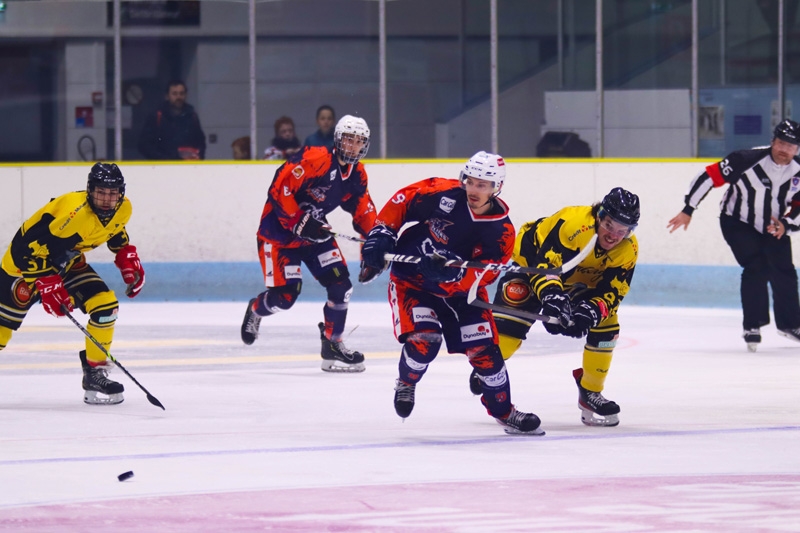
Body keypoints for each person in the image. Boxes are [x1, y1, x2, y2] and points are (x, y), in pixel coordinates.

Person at [359, 151, 544, 436]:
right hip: (414, 282)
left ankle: (505, 413)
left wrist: (454, 272)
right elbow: (404, 200)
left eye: (483, 184)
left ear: (497, 188)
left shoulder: (501, 230)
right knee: (425, 342)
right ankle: (407, 382)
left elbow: (490, 272)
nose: (474, 189)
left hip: (463, 295)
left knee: (487, 355)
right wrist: (383, 231)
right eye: (470, 181)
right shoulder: (442, 193)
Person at [481, 187, 640, 428]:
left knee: (607, 325)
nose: (613, 235)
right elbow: (545, 265)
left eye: (623, 230)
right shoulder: (573, 225)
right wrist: (554, 301)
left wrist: (589, 311)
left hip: (578, 282)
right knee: (509, 331)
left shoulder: (627, 249)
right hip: (529, 266)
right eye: (609, 225)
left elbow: (614, 291)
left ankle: (590, 392)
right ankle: (487, 370)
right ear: (599, 216)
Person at [0, 163, 145, 405]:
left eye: (113, 193)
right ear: (90, 190)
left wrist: (124, 254)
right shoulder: (73, 215)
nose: (107, 199)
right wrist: (47, 284)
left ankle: (94, 372)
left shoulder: (124, 208)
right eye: (101, 192)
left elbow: (113, 229)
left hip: (65, 264)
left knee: (105, 306)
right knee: (2, 331)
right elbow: (24, 249)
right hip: (21, 270)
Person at [240, 115, 375, 373]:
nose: (353, 146)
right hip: (279, 235)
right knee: (285, 297)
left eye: (359, 141)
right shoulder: (315, 159)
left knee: (341, 285)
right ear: (337, 139)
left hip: (315, 235)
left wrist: (377, 240)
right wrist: (298, 221)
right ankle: (256, 309)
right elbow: (281, 187)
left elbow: (363, 210)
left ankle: (333, 343)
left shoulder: (357, 175)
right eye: (348, 139)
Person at [667, 119, 800, 352]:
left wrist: (786, 225)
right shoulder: (745, 160)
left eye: (790, 145)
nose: (784, 149)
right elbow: (708, 176)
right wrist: (689, 209)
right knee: (756, 266)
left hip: (774, 225)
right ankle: (753, 326)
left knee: (785, 272)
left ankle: (790, 324)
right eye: (780, 143)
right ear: (772, 141)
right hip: (737, 222)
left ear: (797, 148)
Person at [138, 80, 206, 160]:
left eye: (181, 93)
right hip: (163, 167)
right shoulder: (156, 117)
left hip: (187, 167)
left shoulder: (192, 116)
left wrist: (198, 156)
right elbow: (144, 145)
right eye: (174, 94)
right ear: (167, 96)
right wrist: (164, 159)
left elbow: (201, 142)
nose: (178, 97)